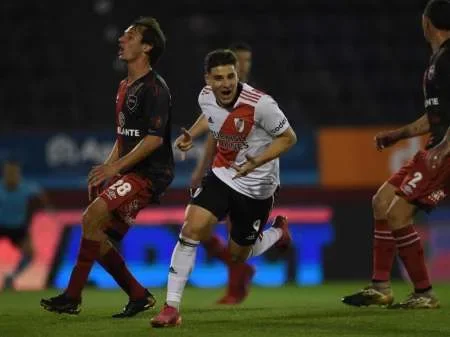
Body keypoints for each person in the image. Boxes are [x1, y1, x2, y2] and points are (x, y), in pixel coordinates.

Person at [151, 49, 297, 327]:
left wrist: (259, 161)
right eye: (218, 78)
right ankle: (171, 308)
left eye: (231, 76)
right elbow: (210, 116)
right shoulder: (205, 96)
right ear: (208, 79)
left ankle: (278, 231)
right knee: (191, 228)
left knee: (238, 254)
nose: (226, 83)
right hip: (223, 173)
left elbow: (289, 138)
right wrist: (190, 136)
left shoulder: (261, 104)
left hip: (257, 186)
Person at [40, 16, 174, 317]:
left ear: (147, 47)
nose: (121, 40)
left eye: (130, 36)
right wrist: (107, 167)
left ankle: (72, 297)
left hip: (150, 174)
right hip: (131, 171)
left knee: (92, 216)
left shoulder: (156, 89)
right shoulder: (125, 85)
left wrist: (116, 170)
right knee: (96, 233)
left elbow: (153, 141)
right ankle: (138, 295)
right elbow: (123, 136)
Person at [342, 0, 450, 309]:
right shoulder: (438, 59)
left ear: (427, 23)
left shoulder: (447, 59)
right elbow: (436, 116)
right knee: (381, 201)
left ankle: (425, 293)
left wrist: (445, 146)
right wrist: (397, 135)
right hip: (437, 143)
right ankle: (381, 286)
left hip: (444, 150)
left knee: (398, 213)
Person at [175, 42, 288, 305]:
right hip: (225, 171)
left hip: (257, 179)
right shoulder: (216, 93)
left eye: (247, 61)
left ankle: (238, 279)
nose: (244, 65)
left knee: (237, 242)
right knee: (200, 229)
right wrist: (198, 161)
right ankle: (237, 281)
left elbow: (283, 137)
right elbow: (212, 126)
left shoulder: (258, 99)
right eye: (241, 60)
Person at [0, 160, 50, 289]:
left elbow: (42, 198)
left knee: (30, 254)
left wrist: (45, 209)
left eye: (14, 172)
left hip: (19, 227)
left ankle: (11, 277)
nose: (11, 175)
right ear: (4, 173)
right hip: (1, 225)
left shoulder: (28, 187)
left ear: (18, 173)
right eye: (8, 172)